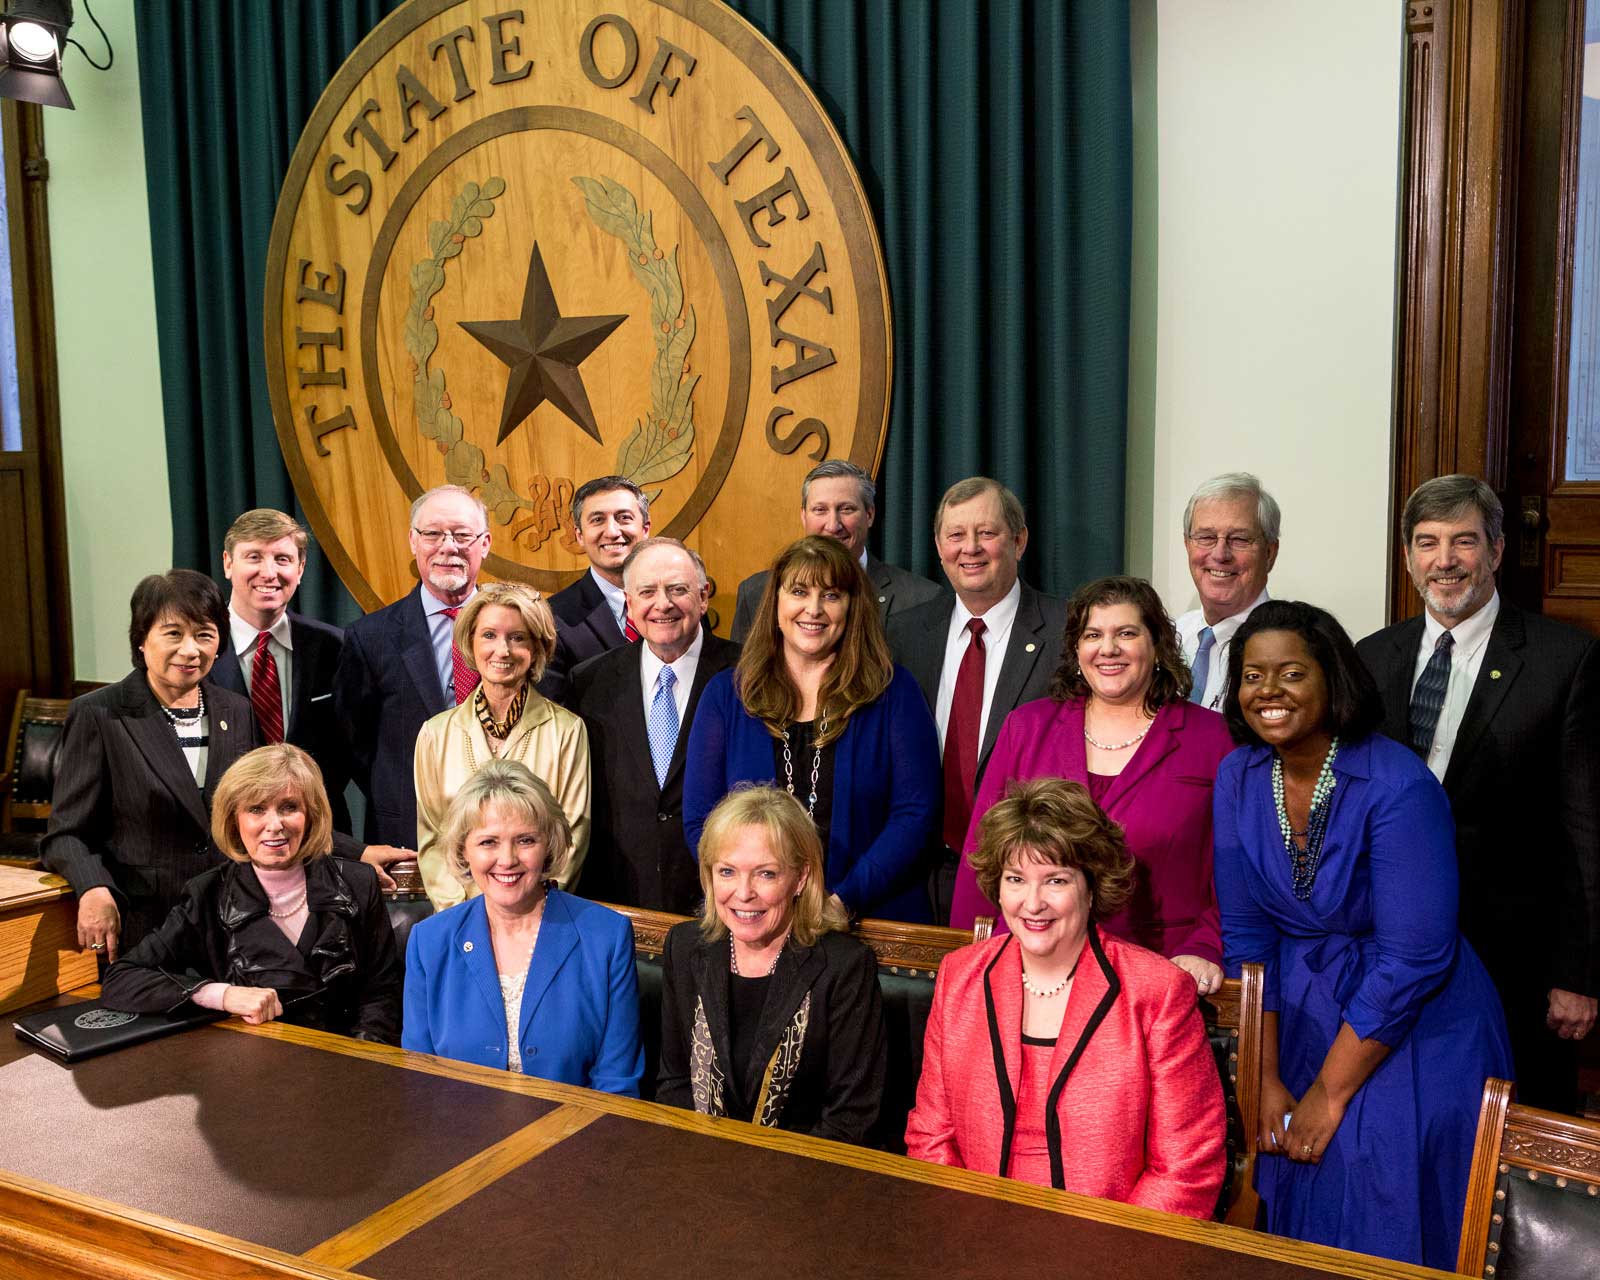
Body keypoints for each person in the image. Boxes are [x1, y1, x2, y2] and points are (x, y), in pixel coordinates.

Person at [1215, 600, 1513, 1267]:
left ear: (1334, 679)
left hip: (1412, 1021)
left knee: (1371, 1178)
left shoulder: (1398, 783)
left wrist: (1330, 1091)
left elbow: (1414, 958)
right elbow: (1246, 938)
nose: (1268, 691)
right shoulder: (1237, 776)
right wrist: (1261, 1074)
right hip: (1296, 1013)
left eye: (1292, 673)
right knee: (1284, 1171)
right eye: (1252, 676)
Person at [1356, 475, 1598, 1113]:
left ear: (1495, 550)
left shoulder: (1565, 659)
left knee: (1515, 1127)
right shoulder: (1370, 658)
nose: (1445, 560)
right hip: (1390, 949)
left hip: (1515, 958)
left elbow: (1587, 829)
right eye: (1427, 542)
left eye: (1463, 541)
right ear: (1408, 556)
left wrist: (1577, 974)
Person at [905, 778, 1225, 1215]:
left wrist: (1103, 1248)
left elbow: (1186, 1169)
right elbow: (930, 1136)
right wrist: (967, 1231)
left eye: (1055, 880)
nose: (1032, 903)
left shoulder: (1157, 992)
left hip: (1110, 1239)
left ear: (1092, 887)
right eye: (1016, 879)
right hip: (973, 1227)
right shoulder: (959, 977)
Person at [948, 577, 1231, 997]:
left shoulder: (1213, 738)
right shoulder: (1026, 727)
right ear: (1076, 649)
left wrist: (1206, 946)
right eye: (1093, 635)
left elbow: (1240, 872)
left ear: (1157, 645)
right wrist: (970, 962)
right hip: (1033, 968)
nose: (1108, 648)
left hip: (1162, 973)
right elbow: (982, 856)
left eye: (1126, 633)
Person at [684, 536, 940, 922]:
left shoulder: (895, 693)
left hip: (871, 919)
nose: (814, 609)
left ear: (852, 607)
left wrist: (842, 901)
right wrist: (755, 895)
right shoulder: (726, 695)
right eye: (799, 591)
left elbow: (916, 813)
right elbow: (701, 820)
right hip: (755, 919)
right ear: (776, 603)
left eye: (831, 595)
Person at [101, 745, 401, 1042]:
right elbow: (121, 978)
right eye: (256, 809)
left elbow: (382, 993)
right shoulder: (208, 894)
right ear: (234, 819)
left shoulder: (358, 882)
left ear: (311, 815)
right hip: (253, 1059)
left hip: (345, 1058)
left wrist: (361, 1057)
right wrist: (221, 994)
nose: (275, 825)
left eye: (289, 807)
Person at [43, 570, 257, 961]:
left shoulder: (237, 710)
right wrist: (93, 888)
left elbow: (259, 809)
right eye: (173, 633)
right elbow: (66, 833)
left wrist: (355, 852)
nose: (190, 650)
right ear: (142, 639)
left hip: (231, 925)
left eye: (204, 635)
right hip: (145, 928)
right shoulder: (100, 713)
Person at [657, 785, 886, 1143]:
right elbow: (674, 1086)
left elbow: (850, 1119)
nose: (743, 892)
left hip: (806, 1168)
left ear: (801, 877)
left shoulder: (846, 967)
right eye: (727, 871)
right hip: (699, 1158)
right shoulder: (684, 948)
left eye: (766, 874)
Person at [402, 760, 643, 1094]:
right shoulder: (429, 942)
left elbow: (617, 1084)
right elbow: (420, 1080)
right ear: (463, 850)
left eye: (525, 840)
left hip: (574, 1126)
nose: (507, 859)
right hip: (454, 1125)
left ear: (549, 845)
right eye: (488, 842)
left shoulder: (606, 937)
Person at [887, 478, 1065, 922]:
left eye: (986, 533)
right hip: (913, 876)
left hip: (1022, 880)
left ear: (1019, 541)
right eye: (955, 535)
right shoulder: (901, 634)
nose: (970, 548)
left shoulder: (1066, 633)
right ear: (938, 546)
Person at [211, 507, 408, 884]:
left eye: (282, 559)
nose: (269, 572)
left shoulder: (336, 647)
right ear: (228, 563)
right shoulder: (199, 652)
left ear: (300, 569)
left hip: (324, 854)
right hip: (223, 857)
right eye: (254, 556)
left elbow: (361, 755)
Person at [570, 537, 739, 912]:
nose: (663, 604)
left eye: (677, 589)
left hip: (722, 897)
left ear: (703, 597)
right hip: (620, 899)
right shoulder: (589, 682)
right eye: (647, 592)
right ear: (630, 604)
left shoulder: (748, 674)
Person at [414, 581, 589, 910]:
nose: (503, 650)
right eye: (489, 635)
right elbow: (433, 841)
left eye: (517, 637)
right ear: (470, 642)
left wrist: (527, 909)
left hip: (539, 913)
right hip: (460, 917)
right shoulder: (435, 734)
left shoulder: (567, 730)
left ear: (537, 647)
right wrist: (465, 915)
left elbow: (572, 836)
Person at [334, 484, 489, 850]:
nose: (448, 546)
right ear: (413, 541)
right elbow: (353, 745)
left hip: (501, 831)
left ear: (484, 543)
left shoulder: (516, 629)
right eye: (433, 534)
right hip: (407, 837)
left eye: (462, 535)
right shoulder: (369, 637)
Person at [729, 459, 941, 643]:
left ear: (869, 515)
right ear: (803, 516)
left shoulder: (921, 598)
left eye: (846, 509)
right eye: (820, 510)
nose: (833, 525)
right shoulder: (756, 593)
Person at [539, 476, 652, 702]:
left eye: (624, 518)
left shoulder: (681, 605)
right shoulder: (551, 619)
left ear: (645, 528)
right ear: (579, 535)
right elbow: (553, 712)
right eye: (598, 520)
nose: (612, 532)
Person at [1174, 472, 1281, 712]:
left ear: (1269, 553)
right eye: (1206, 537)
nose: (1220, 554)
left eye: (1239, 539)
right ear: (1187, 545)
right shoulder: (1171, 637)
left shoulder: (1294, 647)